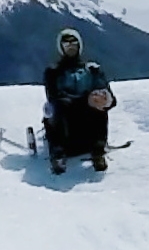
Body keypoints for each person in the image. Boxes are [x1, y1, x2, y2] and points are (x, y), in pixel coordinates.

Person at [42, 27, 116, 175]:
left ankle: (98, 151)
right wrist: (86, 100)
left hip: (88, 128)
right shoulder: (54, 72)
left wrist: (104, 100)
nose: (71, 47)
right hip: (66, 127)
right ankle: (58, 155)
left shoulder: (92, 70)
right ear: (61, 48)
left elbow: (111, 99)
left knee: (98, 102)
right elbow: (54, 97)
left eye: (74, 44)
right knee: (57, 106)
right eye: (67, 44)